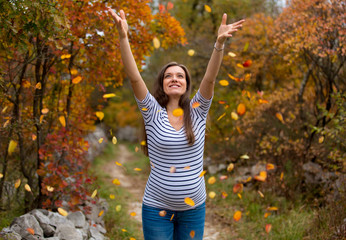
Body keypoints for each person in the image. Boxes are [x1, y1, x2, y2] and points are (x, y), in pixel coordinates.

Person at [108, 7, 244, 240]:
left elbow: (210, 78)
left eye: (180, 76)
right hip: (156, 209)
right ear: (162, 84)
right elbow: (134, 77)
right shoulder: (152, 112)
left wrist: (219, 44)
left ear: (186, 84)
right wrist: (123, 37)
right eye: (168, 75)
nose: (174, 78)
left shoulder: (198, 111)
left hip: (193, 209)